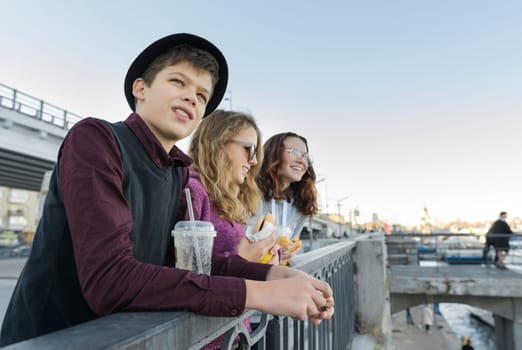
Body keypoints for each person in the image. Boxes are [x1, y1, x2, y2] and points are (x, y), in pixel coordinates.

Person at [0, 33, 334, 347]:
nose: (192, 96)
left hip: (126, 339)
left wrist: (273, 274)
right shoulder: (97, 140)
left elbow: (189, 266)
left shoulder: (176, 173)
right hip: (51, 339)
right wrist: (257, 294)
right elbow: (110, 279)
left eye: (202, 95)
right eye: (178, 81)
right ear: (140, 88)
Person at [185, 110, 279, 349]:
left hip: (235, 334)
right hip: (207, 340)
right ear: (218, 144)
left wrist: (267, 258)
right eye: (249, 150)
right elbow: (185, 275)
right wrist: (244, 256)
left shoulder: (227, 201)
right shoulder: (193, 192)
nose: (255, 161)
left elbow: (236, 262)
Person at [253, 132, 318, 264]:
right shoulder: (249, 193)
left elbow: (289, 250)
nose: (301, 161)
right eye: (294, 152)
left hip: (278, 276)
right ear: (273, 154)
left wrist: (287, 253)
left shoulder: (302, 204)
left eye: (305, 156)